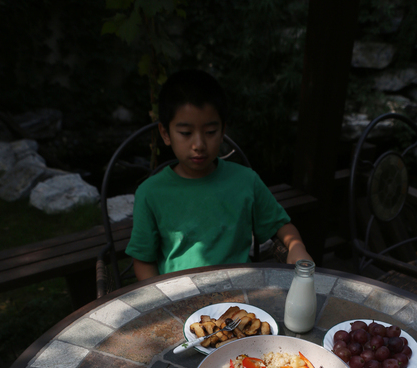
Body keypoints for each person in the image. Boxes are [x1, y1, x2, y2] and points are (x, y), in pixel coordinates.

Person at [126, 69, 313, 280]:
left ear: (223, 131)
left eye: (210, 132)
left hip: (240, 293)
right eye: (186, 133)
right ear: (165, 134)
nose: (198, 144)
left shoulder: (245, 181)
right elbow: (143, 259)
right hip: (181, 298)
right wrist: (160, 301)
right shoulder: (150, 193)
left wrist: (297, 247)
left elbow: (281, 226)